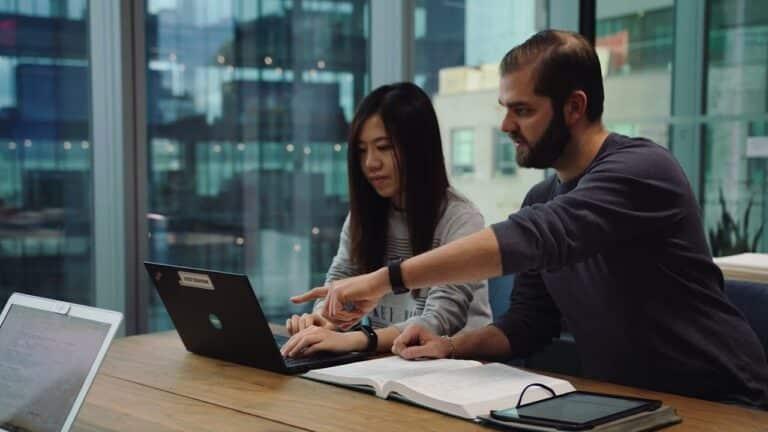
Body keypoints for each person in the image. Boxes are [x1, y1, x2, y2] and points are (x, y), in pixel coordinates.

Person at [291, 30, 768, 408]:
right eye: (505, 109)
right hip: (627, 404)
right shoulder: (543, 194)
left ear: (574, 108)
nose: (505, 126)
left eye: (522, 110)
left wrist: (382, 280)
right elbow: (528, 323)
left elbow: (536, 237)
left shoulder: (641, 170)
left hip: (722, 402)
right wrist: (450, 346)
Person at [280, 82, 491, 358]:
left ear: (418, 149)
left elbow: (438, 321)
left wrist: (357, 340)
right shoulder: (365, 214)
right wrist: (323, 321)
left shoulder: (462, 219)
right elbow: (341, 277)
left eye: (383, 147)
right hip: (388, 366)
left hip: (456, 375)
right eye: (362, 151)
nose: (370, 163)